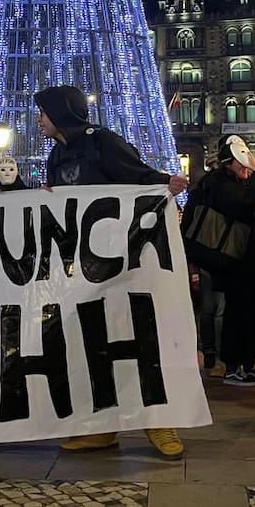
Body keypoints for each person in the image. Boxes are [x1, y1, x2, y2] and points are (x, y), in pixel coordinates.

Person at [34, 84, 189, 460]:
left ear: (60, 113)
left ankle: (158, 420)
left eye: (43, 113)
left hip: (123, 261)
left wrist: (164, 185)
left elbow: (138, 176)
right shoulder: (56, 155)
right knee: (94, 343)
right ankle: (102, 427)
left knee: (136, 336)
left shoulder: (102, 141)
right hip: (84, 268)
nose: (39, 120)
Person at [201, 136, 255, 390]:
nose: (246, 168)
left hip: (254, 262)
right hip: (235, 264)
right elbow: (243, 206)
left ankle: (249, 363)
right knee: (235, 316)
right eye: (240, 163)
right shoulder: (220, 183)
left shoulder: (243, 183)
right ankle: (233, 366)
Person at [183, 154, 225, 377]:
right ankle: (217, 354)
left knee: (210, 308)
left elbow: (187, 228)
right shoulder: (221, 191)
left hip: (206, 256)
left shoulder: (198, 193)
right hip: (218, 255)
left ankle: (210, 351)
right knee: (217, 308)